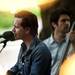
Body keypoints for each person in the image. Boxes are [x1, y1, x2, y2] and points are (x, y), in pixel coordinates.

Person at [6, 10, 51, 75]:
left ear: (27, 30)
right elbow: (17, 66)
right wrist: (9, 72)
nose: (13, 30)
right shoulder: (24, 46)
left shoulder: (40, 51)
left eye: (16, 27)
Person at [43, 8, 74, 75]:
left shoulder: (73, 42)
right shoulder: (44, 45)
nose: (67, 23)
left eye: (68, 20)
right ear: (54, 24)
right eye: (63, 21)